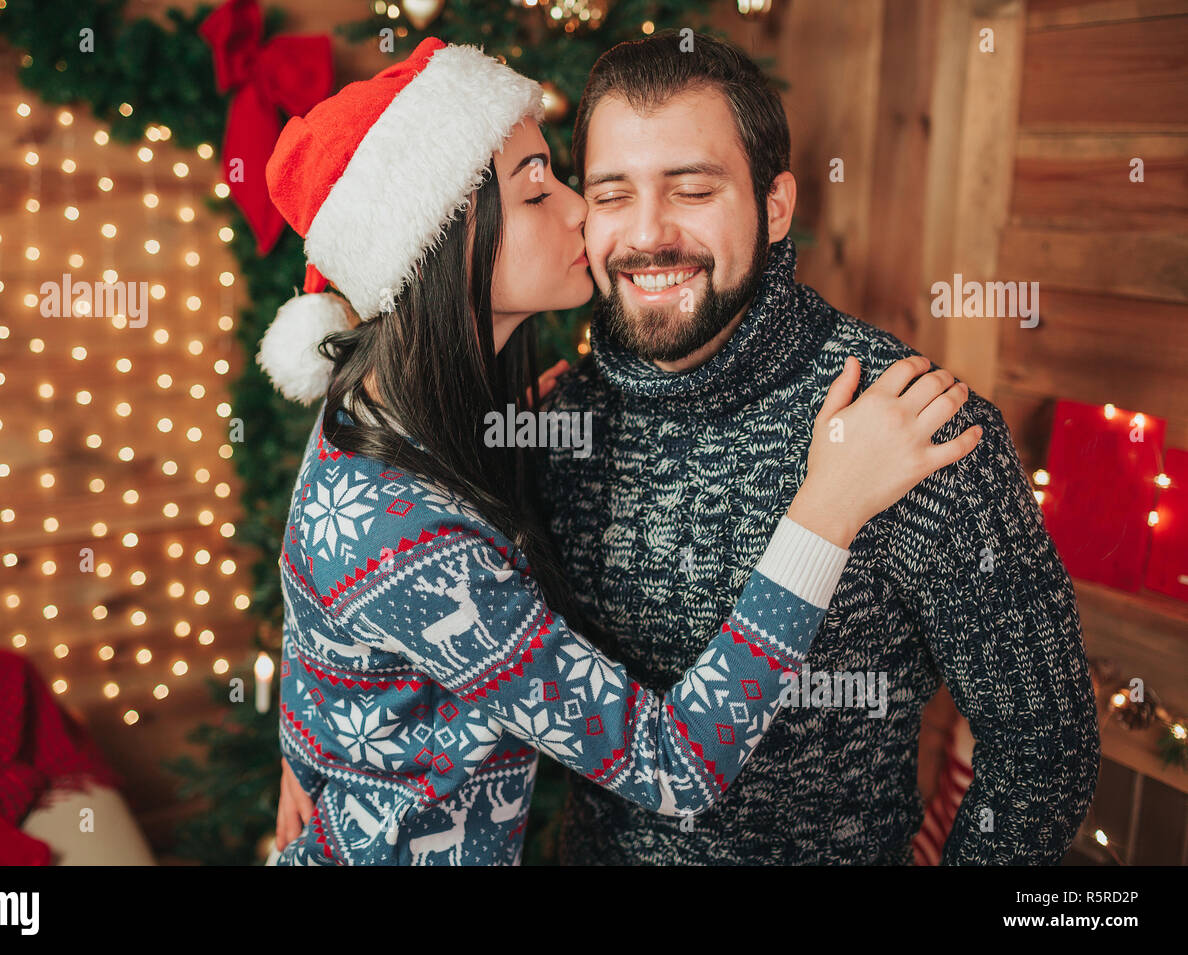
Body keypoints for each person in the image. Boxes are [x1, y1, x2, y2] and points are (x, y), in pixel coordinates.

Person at [260, 37, 978, 866]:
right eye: (538, 192)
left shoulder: (392, 414)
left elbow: (318, 586)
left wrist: (312, 734)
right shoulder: (402, 527)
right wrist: (828, 506)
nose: (582, 212)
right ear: (445, 244)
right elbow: (674, 764)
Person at [540, 31, 1101, 865]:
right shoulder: (555, 420)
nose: (647, 234)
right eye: (612, 193)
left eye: (691, 189)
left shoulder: (911, 424)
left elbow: (1044, 746)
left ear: (774, 205)